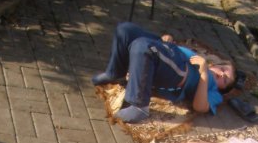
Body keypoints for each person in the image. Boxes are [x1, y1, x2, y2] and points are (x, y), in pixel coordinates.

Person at [91, 21, 236, 123]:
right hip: (170, 52)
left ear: (222, 88)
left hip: (178, 72)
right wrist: (166, 43)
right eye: (223, 70)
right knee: (125, 30)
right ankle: (114, 72)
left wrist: (204, 73)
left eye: (225, 80)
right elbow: (175, 51)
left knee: (143, 47)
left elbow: (200, 107)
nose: (222, 75)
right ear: (214, 65)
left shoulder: (214, 91)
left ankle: (139, 106)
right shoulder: (201, 58)